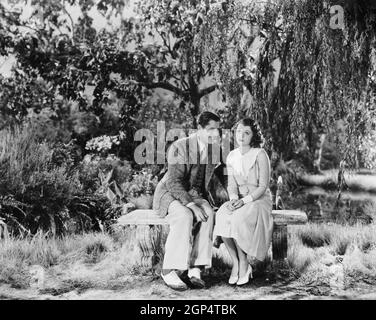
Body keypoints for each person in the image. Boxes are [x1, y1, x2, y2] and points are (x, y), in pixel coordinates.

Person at [153, 111, 221, 291]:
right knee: (184, 216)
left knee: (208, 213)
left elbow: (225, 177)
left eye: (217, 130)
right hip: (170, 193)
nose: (215, 134)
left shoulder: (215, 149)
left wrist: (237, 198)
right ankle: (168, 270)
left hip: (194, 194)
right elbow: (173, 182)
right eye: (210, 130)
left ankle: (195, 268)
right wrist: (190, 205)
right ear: (199, 129)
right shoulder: (179, 147)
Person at [213, 118, 273, 286]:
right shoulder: (232, 156)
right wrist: (233, 199)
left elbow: (263, 186)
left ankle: (244, 263)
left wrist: (244, 201)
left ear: (253, 136)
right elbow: (231, 184)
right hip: (239, 199)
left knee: (238, 219)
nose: (241, 135)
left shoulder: (260, 154)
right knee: (222, 215)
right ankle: (237, 262)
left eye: (246, 133)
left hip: (258, 199)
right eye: (239, 131)